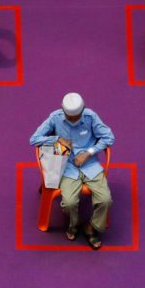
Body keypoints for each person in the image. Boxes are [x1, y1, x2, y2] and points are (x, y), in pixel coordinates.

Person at [29, 93, 115, 249]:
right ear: (63, 110)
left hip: (91, 166)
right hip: (67, 167)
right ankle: (74, 224)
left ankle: (92, 227)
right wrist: (56, 139)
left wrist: (88, 152)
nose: (74, 121)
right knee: (68, 203)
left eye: (77, 117)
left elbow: (109, 137)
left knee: (105, 200)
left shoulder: (91, 117)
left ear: (83, 110)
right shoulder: (54, 118)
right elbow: (34, 139)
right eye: (70, 117)